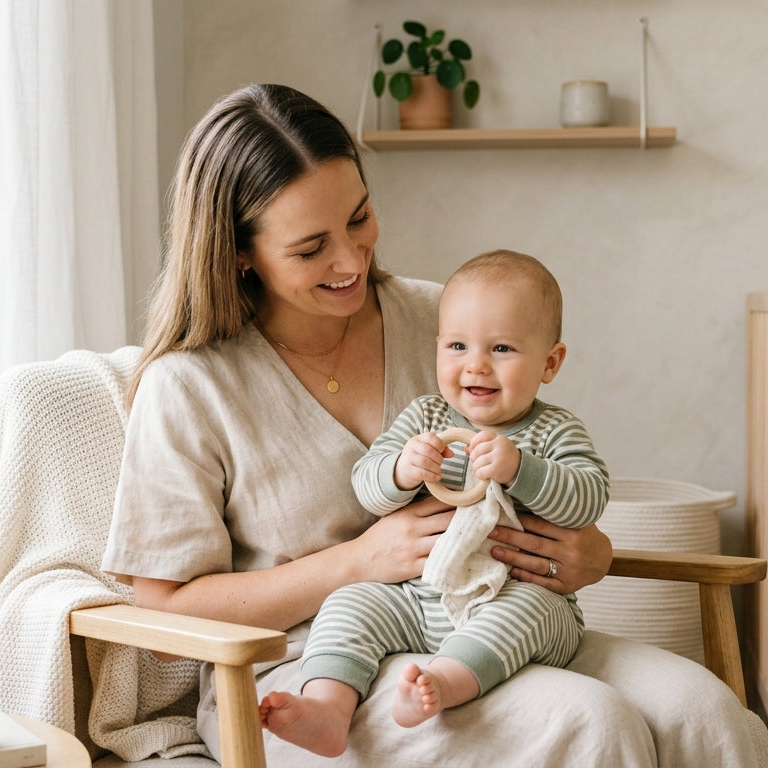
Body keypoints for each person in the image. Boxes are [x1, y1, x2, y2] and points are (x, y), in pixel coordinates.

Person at [102, 83, 768, 767]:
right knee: (587, 722)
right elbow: (164, 618)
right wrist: (355, 563)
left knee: (706, 714)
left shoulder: (446, 321)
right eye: (311, 249)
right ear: (240, 252)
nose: (351, 260)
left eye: (360, 219)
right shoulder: (190, 384)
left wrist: (588, 554)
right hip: (312, 666)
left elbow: (549, 460)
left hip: (497, 618)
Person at [260, 250, 609, 756]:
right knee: (350, 602)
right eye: (459, 346)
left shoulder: (554, 430)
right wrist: (403, 469)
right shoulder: (425, 417)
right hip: (418, 598)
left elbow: (588, 500)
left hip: (510, 596)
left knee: (534, 609)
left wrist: (521, 470)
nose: (477, 365)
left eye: (503, 348)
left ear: (549, 362)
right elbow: (367, 487)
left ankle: (442, 683)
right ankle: (328, 707)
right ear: (438, 348)